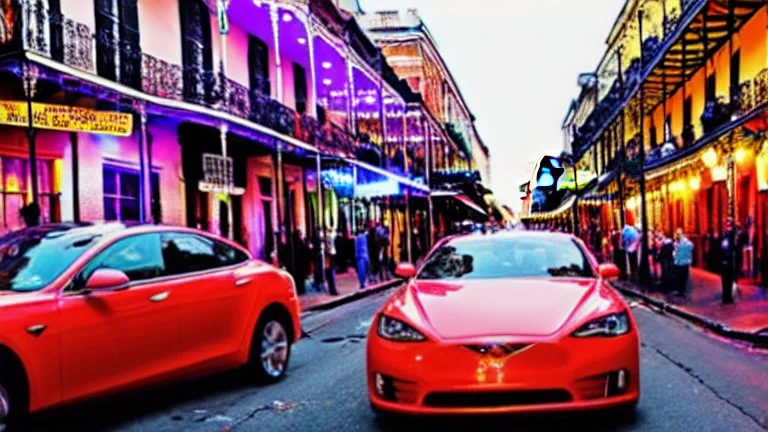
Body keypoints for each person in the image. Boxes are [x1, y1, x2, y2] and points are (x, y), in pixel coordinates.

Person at [720, 219, 737, 304]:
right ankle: (727, 297)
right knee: (727, 280)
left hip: (728, 261)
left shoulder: (731, 235)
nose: (728, 227)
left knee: (728, 280)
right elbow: (725, 247)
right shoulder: (727, 236)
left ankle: (727, 297)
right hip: (727, 261)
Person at [673, 229, 694, 297]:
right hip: (685, 262)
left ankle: (680, 291)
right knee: (683, 277)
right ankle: (682, 291)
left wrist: (675, 253)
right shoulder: (687, 242)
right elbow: (691, 246)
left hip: (680, 262)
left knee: (680, 277)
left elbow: (676, 252)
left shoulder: (679, 243)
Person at [325, 229, 338, 295]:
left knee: (331, 274)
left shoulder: (328, 238)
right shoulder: (330, 237)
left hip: (330, 256)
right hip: (331, 256)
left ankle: (332, 290)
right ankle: (333, 290)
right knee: (331, 274)